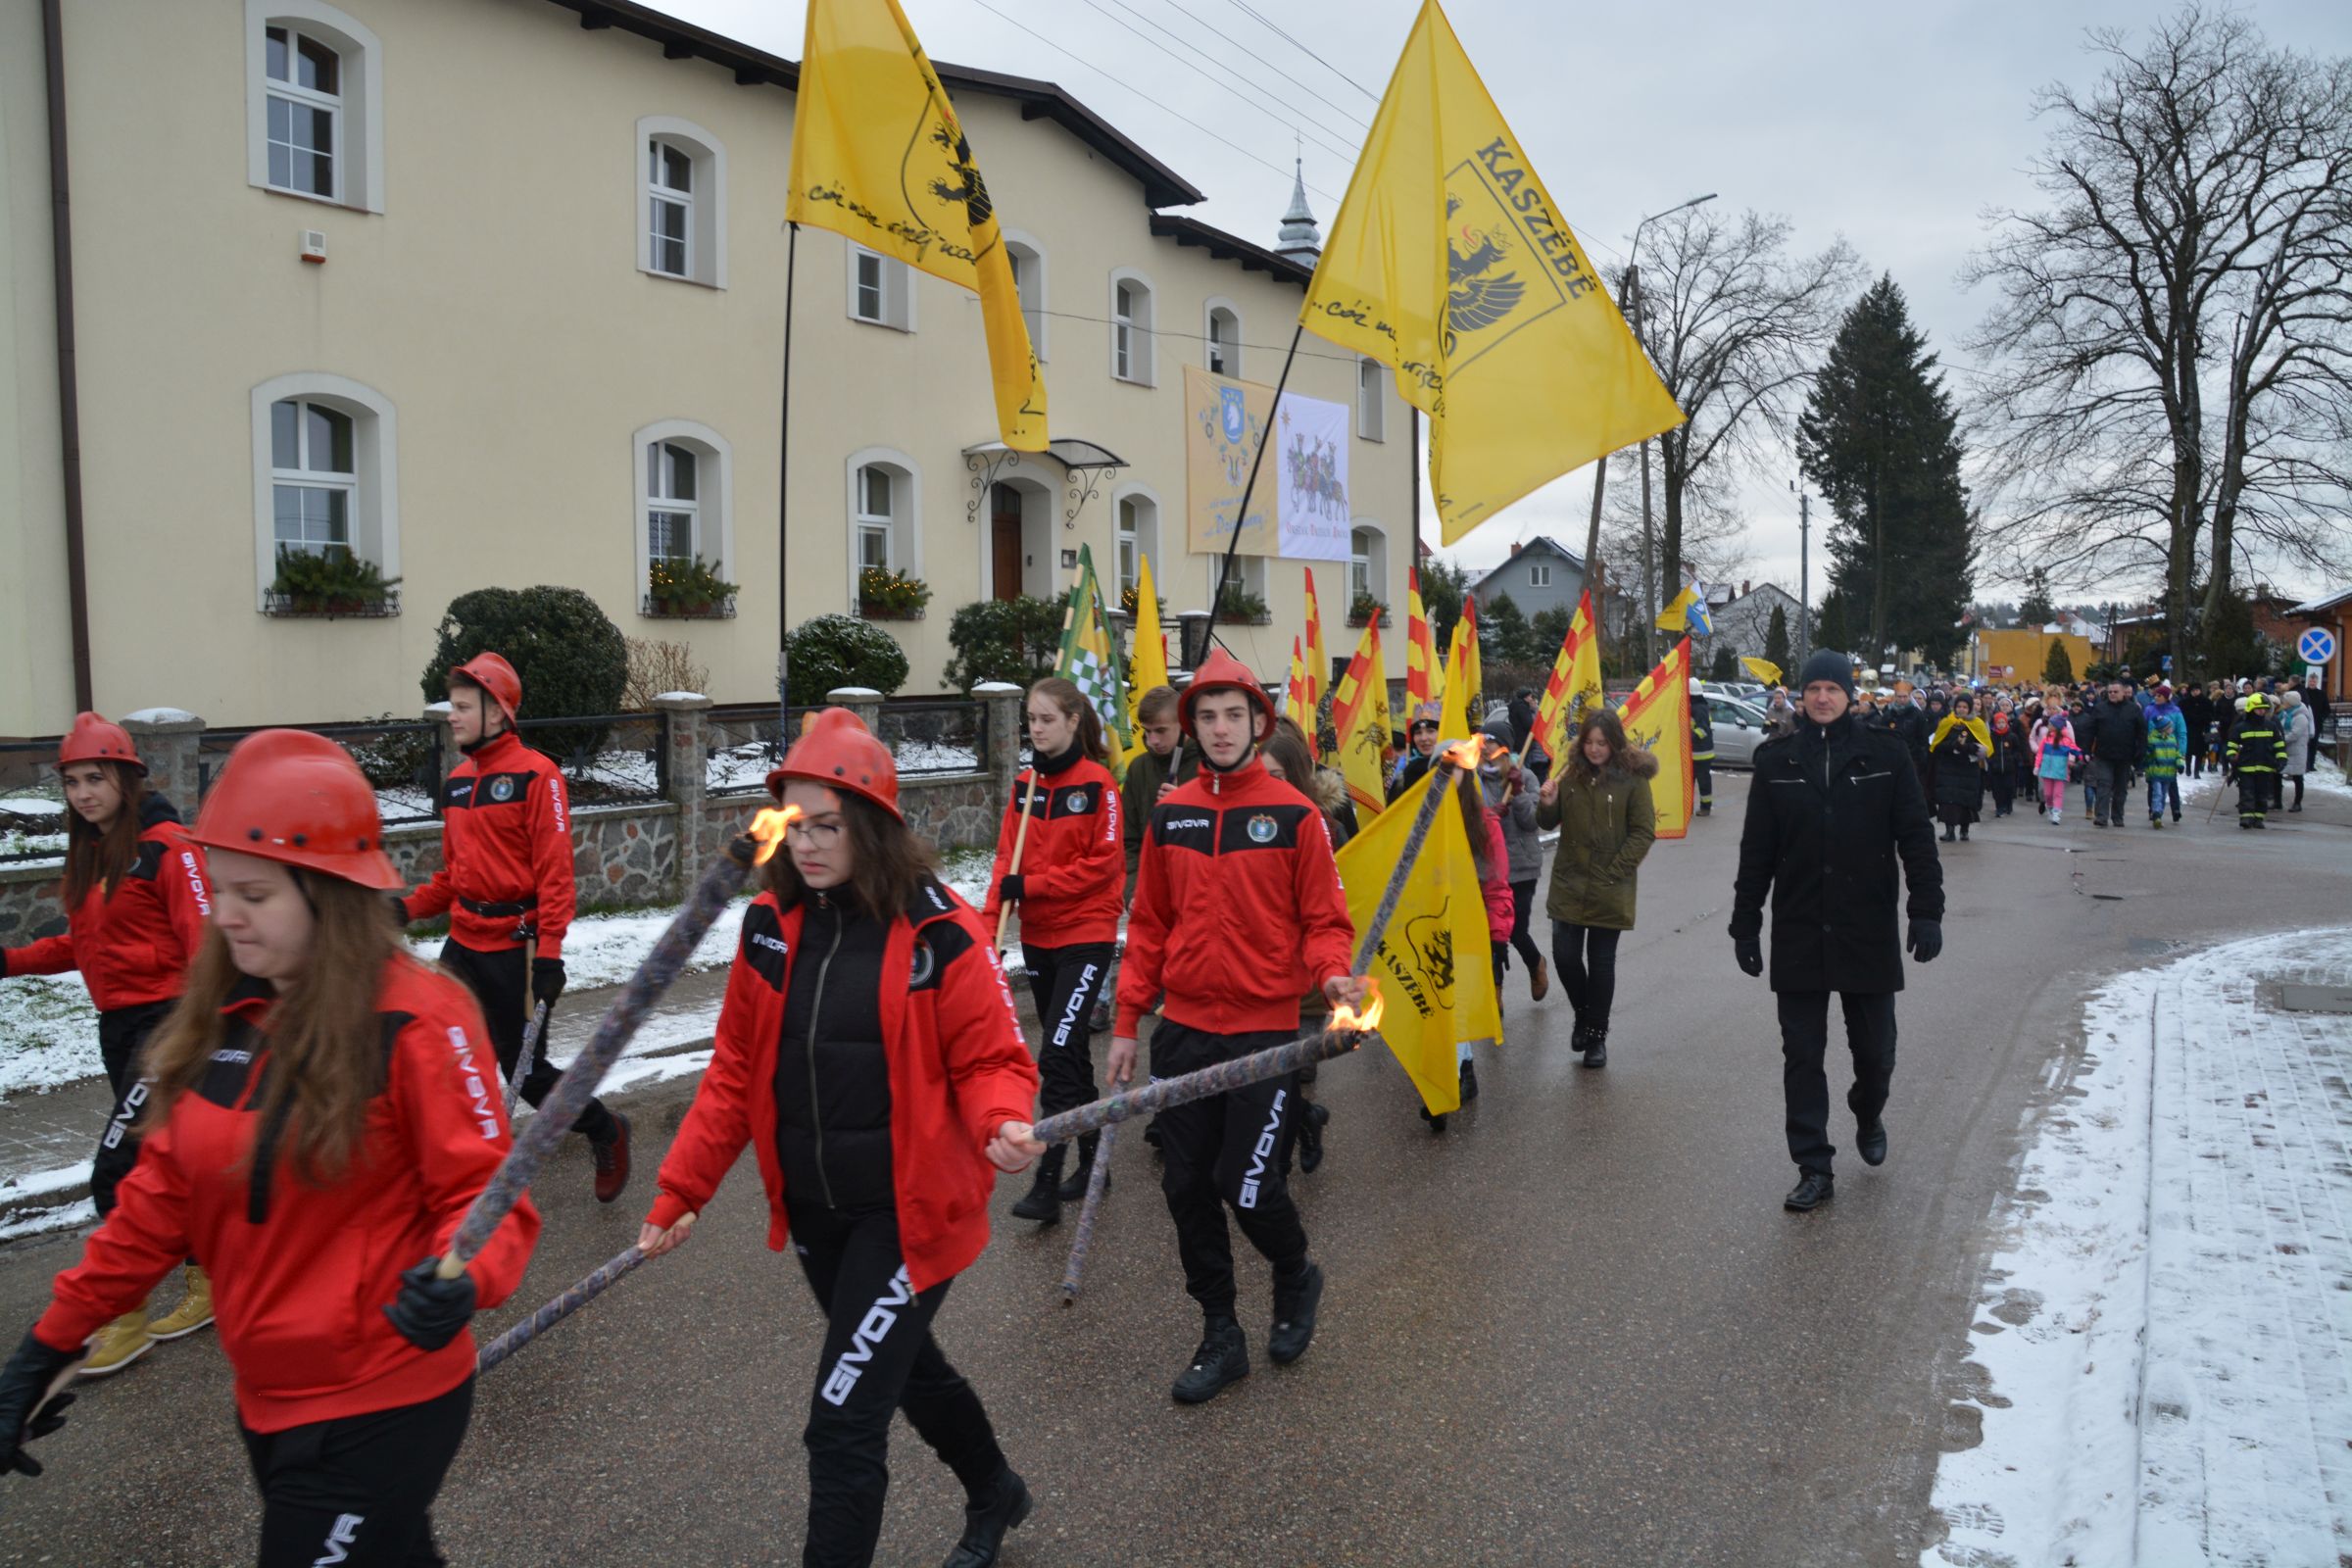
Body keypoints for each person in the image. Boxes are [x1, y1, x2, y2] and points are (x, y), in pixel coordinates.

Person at [0, 730, 541, 1563]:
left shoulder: (419, 1018)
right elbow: (154, 1209)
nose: (224, 915)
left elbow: (486, 1193)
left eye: (253, 894)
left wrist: (464, 1272)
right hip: (268, 1401)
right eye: (221, 889)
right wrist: (44, 1351)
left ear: (328, 893)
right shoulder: (219, 1020)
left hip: (384, 1398)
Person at [639, 710, 1044, 1568]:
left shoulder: (940, 930)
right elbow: (734, 1070)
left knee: (842, 1423)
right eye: (796, 826)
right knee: (907, 1370)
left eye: (828, 826)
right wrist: (682, 1189)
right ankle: (995, 1488)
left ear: (871, 826)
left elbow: (992, 1059)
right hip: (819, 1214)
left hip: (908, 1216)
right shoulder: (768, 925)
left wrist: (1001, 1119)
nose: (809, 845)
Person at [1109, 649, 1360, 1404]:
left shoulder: (1296, 817)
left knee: (1245, 1186)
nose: (1221, 728)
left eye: (1234, 715)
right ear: (1194, 727)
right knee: (1186, 1187)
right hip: (1182, 1032)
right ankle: (1221, 1333)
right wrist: (1126, 1022)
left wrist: (1333, 976)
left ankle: (1294, 1271)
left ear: (1259, 723)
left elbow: (1324, 921)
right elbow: (1149, 926)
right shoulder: (1173, 814)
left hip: (1263, 1039)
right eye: (1208, 716)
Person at [0, 714, 215, 1374]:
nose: (83, 793)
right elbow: (85, 945)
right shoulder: (93, 852)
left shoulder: (169, 847)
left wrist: (205, 1030)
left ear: (126, 777)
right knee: (168, 1161)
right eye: (71, 782)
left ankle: (124, 1318)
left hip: (167, 1025)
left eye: (95, 778)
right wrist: (10, 962)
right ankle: (208, 1281)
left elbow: (205, 946)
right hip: (117, 1026)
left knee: (116, 1170)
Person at [397, 653, 630, 1200]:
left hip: (515, 950)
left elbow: (555, 875)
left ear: (498, 713)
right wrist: (405, 908)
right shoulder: (457, 783)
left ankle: (605, 1128)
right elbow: (453, 876)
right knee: (439, 1054)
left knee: (526, 1075)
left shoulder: (537, 775)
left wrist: (549, 954)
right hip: (463, 945)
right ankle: (458, 1172)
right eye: (451, 706)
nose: (451, 716)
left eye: (462, 707)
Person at [1730, 650, 1943, 1212]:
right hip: (1799, 929)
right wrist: (1745, 924)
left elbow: (1916, 839)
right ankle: (1813, 1166)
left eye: (1833, 688)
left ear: (1850, 695)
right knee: (1802, 1054)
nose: (1822, 697)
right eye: (1813, 688)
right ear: (1801, 696)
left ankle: (1868, 1110)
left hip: (1865, 928)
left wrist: (1926, 910)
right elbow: (1757, 852)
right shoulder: (1776, 761)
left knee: (1876, 1054)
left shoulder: (1886, 756)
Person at [978, 678, 1123, 1228]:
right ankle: (1094, 1161)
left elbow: (1104, 865)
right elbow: (1004, 860)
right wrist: (991, 931)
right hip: (1038, 938)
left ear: (1071, 721)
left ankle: (1047, 1180)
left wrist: (1034, 886)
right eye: (1031, 720)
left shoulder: (1099, 784)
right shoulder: (1026, 784)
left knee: (1057, 1054)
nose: (1035, 729)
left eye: (1045, 719)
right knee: (1072, 1056)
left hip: (1086, 935)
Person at [1536, 709, 1657, 1070]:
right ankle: (1584, 1014)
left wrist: (1616, 871)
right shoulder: (1570, 774)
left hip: (1610, 885)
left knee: (1601, 964)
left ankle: (1596, 1038)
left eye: (1602, 743)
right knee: (1565, 957)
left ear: (1615, 743)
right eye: (1589, 742)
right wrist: (1547, 802)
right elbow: (1547, 822)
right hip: (1569, 883)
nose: (1594, 749)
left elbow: (1643, 832)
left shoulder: (1633, 779)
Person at [1257, 723, 1348, 1174]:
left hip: (1307, 977)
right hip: (1260, 977)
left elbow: (1331, 907)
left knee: (1290, 1071)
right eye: (1260, 775)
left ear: (1296, 776)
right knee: (1270, 1076)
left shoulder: (1322, 826)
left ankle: (1277, 1161)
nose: (1267, 785)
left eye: (1276, 776)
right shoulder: (1247, 824)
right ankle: (1301, 1124)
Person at [1478, 717, 1547, 1002]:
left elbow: (1532, 821)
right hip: (1488, 870)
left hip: (1521, 868)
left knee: (1516, 931)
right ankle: (1495, 993)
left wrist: (1517, 793)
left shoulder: (1525, 777)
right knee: (1492, 935)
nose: (1485, 748)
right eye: (1482, 742)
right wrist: (1487, 817)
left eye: (1491, 742)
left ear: (1504, 747)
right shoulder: (1474, 779)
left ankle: (1536, 963)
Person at [2078, 677, 2145, 829]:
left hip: (2125, 756)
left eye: (2116, 691)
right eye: (2110, 692)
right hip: (2104, 755)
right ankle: (2101, 816)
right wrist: (2086, 749)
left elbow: (2142, 732)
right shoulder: (2100, 708)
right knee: (2104, 785)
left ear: (2123, 693)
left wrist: (2140, 751)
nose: (2112, 694)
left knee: (2121, 789)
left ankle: (2118, 816)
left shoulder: (2133, 709)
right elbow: (2090, 730)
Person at [1929, 695, 1987, 843]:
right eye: (1959, 706)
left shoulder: (1977, 724)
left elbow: (1983, 747)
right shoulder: (1947, 723)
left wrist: (1967, 747)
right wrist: (1953, 745)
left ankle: (1964, 830)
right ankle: (1949, 831)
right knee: (1948, 800)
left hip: (1968, 768)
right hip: (1948, 767)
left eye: (1965, 707)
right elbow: (1937, 745)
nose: (1961, 709)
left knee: (1965, 799)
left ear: (1970, 708)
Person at [2228, 692, 2284, 829]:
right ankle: (2246, 817)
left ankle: (2259, 818)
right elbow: (2232, 745)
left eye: (2264, 709)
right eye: (2259, 709)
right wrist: (2232, 756)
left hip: (2265, 767)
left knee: (2261, 794)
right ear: (2251, 709)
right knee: (2247, 792)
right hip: (2245, 767)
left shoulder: (2271, 726)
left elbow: (2279, 744)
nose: (2262, 712)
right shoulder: (2241, 727)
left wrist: (2282, 759)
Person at [2143, 684, 2185, 827]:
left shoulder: (2175, 711)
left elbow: (2181, 732)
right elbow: (2143, 728)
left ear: (2167, 698)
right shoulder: (2150, 709)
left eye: (2159, 695)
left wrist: (2181, 753)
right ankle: (2154, 811)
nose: (2156, 697)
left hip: (2170, 752)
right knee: (2154, 787)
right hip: (2156, 754)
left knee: (2171, 786)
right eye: (2155, 695)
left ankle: (2175, 809)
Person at [2032, 706, 2078, 823]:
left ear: (2056, 727)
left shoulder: (2066, 740)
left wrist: (2076, 757)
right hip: (2047, 770)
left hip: (2060, 770)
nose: (2048, 726)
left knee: (2058, 793)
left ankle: (2057, 813)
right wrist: (2037, 766)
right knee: (2047, 794)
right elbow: (2040, 753)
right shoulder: (2046, 740)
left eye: (2051, 725)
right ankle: (2050, 807)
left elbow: (2073, 749)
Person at [1984, 697, 2022, 818]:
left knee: (2008, 788)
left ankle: (2008, 805)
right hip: (1996, 768)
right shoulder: (1992, 736)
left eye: (2003, 722)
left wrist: (2013, 759)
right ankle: (1999, 807)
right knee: (1997, 789)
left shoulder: (2012, 736)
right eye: (1998, 723)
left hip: (2009, 768)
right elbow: (1989, 750)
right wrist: (1991, 761)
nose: (2001, 725)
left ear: (2006, 723)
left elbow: (2017, 749)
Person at [2278, 690, 2313, 813]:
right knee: (2277, 774)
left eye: (2285, 701)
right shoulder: (2286, 714)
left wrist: (2280, 740)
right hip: (2285, 750)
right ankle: (2277, 800)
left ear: (2291, 703)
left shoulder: (2301, 717)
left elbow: (2294, 734)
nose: (2283, 703)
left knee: (2298, 777)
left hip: (2297, 750)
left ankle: (2297, 802)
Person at [1689, 678, 1717, 817]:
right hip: (1694, 753)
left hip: (1701, 754)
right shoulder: (1696, 707)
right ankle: (1688, 808)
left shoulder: (1698, 709)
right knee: (1689, 783)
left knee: (1703, 782)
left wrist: (1688, 737)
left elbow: (1703, 730)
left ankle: (1705, 808)